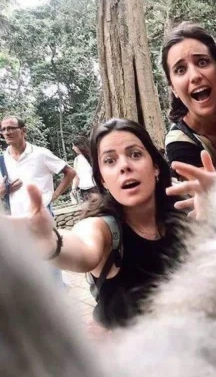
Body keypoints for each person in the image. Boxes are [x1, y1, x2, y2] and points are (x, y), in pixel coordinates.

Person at [7, 118, 184, 329]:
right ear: (101, 180)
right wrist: (50, 242)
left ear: (155, 166)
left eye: (135, 154)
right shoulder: (104, 227)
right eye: (110, 161)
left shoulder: (184, 213)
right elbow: (84, 248)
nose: (124, 166)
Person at [161, 22, 216, 174]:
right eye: (180, 70)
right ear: (173, 88)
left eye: (202, 62)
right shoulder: (179, 142)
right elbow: (206, 192)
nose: (195, 76)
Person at [0, 116, 76, 216]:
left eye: (11, 128)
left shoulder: (40, 154)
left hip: (41, 217)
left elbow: (70, 172)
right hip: (15, 221)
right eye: (3, 129)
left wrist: (54, 196)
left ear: (23, 130)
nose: (6, 132)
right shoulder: (2, 160)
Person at [71, 135, 98, 202]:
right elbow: (76, 176)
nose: (73, 148)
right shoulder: (77, 160)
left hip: (95, 188)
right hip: (84, 191)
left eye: (74, 145)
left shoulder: (93, 156)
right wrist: (73, 188)